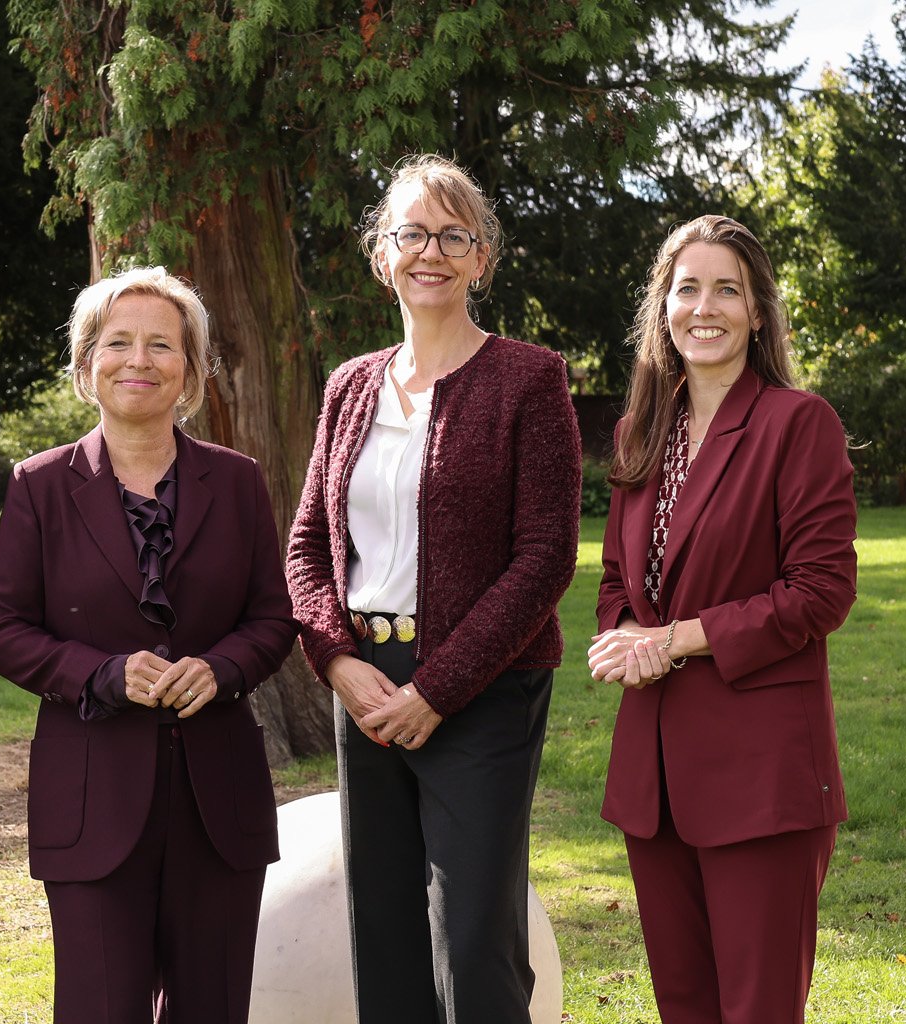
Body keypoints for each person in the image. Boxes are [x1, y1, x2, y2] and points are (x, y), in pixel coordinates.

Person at [284, 154, 581, 1022]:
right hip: (365, 683)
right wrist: (336, 662)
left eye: (456, 235)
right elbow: (307, 547)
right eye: (412, 233)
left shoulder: (530, 379)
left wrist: (438, 688)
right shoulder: (349, 387)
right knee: (382, 929)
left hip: (483, 688)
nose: (432, 252)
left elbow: (544, 559)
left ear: (482, 258)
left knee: (473, 939)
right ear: (383, 253)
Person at [0, 267, 299, 1023]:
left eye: (163, 345)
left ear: (192, 369)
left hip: (219, 801)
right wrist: (103, 673)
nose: (139, 361)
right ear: (86, 365)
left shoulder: (239, 481)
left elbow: (273, 619)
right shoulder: (39, 485)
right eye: (118, 343)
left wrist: (222, 670)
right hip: (90, 798)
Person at [587, 214, 857, 1024]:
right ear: (663, 307)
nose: (705, 307)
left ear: (759, 312)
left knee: (757, 1009)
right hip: (654, 776)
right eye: (688, 288)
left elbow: (820, 591)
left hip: (759, 774)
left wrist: (674, 640)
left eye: (727, 290)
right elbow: (615, 584)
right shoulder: (641, 433)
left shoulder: (797, 422)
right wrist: (629, 640)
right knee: (685, 1008)